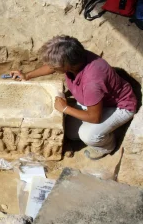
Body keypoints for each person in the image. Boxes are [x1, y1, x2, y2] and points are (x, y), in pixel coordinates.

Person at [9, 35, 137, 160]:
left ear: (68, 66)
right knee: (70, 132)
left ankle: (107, 146)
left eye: (54, 67)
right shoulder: (76, 55)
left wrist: (65, 109)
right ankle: (104, 129)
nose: (51, 68)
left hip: (120, 107)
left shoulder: (92, 82)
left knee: (88, 136)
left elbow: (94, 117)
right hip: (96, 101)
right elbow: (51, 65)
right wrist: (27, 75)